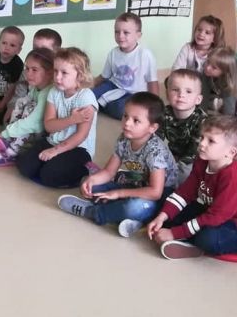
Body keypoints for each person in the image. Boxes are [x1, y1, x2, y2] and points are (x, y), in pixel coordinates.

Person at [57, 92, 177, 236]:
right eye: (125, 116)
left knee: (135, 207)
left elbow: (155, 192)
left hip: (156, 199)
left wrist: (118, 193)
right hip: (134, 185)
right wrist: (92, 180)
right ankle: (132, 219)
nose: (127, 123)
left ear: (152, 127)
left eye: (136, 120)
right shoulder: (124, 138)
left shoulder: (155, 151)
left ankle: (93, 212)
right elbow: (109, 172)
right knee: (91, 185)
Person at [145, 115, 237, 260]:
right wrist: (162, 217)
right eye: (202, 137)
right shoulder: (202, 161)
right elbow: (184, 193)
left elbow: (216, 217)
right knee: (166, 198)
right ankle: (185, 237)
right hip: (210, 211)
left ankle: (193, 245)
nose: (201, 143)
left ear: (231, 152)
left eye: (211, 141)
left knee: (208, 238)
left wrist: (174, 233)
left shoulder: (233, 178)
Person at [16, 48, 98, 188]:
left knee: (49, 175)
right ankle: (53, 164)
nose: (58, 77)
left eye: (64, 73)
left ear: (80, 75)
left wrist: (55, 151)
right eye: (55, 71)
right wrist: (72, 119)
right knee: (25, 166)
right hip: (53, 141)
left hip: (78, 148)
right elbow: (49, 126)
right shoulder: (54, 92)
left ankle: (86, 169)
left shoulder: (86, 97)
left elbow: (81, 136)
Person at [0, 48, 54, 167]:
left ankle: (12, 152)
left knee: (29, 107)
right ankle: (12, 142)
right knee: (22, 101)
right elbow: (23, 104)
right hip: (34, 128)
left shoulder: (48, 93)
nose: (28, 74)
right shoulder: (35, 87)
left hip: (44, 134)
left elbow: (33, 122)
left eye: (34, 70)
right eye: (27, 68)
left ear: (49, 72)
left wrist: (6, 133)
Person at [91, 12, 158, 119]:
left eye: (126, 32)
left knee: (121, 109)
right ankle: (99, 103)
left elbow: (152, 82)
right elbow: (104, 76)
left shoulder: (145, 55)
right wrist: (89, 85)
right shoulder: (113, 53)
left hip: (134, 93)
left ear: (138, 35)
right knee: (89, 95)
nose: (120, 36)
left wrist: (155, 105)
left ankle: (100, 105)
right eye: (117, 32)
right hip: (114, 86)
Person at [156, 69, 207, 182]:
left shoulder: (202, 120)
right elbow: (156, 138)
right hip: (172, 154)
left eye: (188, 91)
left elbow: (194, 150)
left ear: (198, 99)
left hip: (194, 158)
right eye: (175, 90)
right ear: (167, 94)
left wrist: (177, 164)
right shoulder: (163, 113)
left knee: (186, 173)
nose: (181, 95)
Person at [3, 28, 61, 118]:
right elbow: (19, 94)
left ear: (56, 52)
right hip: (29, 111)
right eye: (35, 49)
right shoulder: (27, 71)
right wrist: (11, 109)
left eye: (44, 50)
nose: (38, 54)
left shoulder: (61, 75)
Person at [202, 45, 237, 117]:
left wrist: (225, 121)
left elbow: (229, 113)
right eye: (208, 62)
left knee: (233, 119)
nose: (207, 67)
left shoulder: (229, 84)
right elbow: (204, 92)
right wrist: (202, 113)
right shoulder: (208, 70)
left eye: (214, 67)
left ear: (225, 71)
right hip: (228, 95)